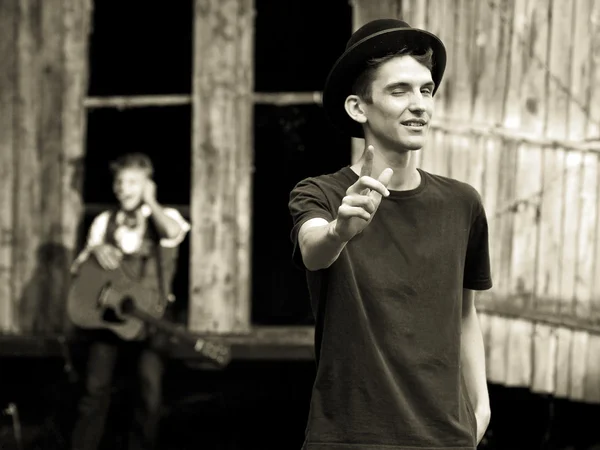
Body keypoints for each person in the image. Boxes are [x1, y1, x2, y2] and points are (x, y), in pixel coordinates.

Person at [288, 19, 492, 450]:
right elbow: (314, 250)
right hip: (349, 436)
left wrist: (482, 406)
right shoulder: (320, 193)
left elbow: (464, 313)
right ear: (358, 108)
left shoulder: (462, 204)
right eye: (399, 90)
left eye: (426, 90)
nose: (419, 104)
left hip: (446, 436)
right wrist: (340, 230)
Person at [70, 152, 190, 450]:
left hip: (151, 318)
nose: (124, 188)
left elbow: (173, 233)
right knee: (94, 391)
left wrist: (151, 202)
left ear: (148, 184)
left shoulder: (167, 217)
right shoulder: (103, 222)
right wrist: (95, 251)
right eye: (119, 182)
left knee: (148, 395)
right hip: (109, 317)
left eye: (133, 182)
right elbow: (78, 269)